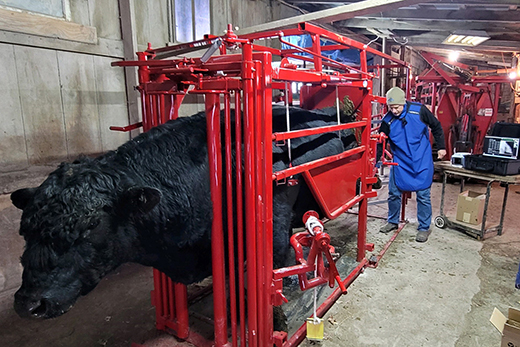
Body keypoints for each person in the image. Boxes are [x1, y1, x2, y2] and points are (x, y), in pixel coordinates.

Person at [378, 87, 446, 242]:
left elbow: (436, 126)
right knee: (394, 193)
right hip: (400, 161)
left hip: (421, 158)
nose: (394, 111)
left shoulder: (419, 111)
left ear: (404, 102)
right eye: (391, 108)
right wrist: (376, 161)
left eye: (397, 107)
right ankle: (392, 221)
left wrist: (441, 146)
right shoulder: (387, 121)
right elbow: (380, 142)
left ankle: (423, 228)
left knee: (423, 195)